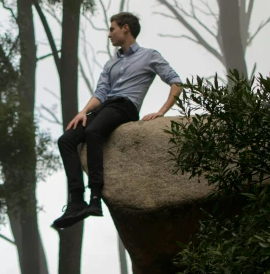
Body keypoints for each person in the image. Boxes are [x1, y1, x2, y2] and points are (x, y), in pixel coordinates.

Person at [52, 12, 183, 230]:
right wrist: (83, 111)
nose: (109, 34)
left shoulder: (150, 55)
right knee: (66, 139)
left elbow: (176, 83)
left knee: (93, 133)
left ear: (125, 28)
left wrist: (161, 111)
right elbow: (101, 93)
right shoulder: (111, 64)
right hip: (105, 107)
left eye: (112, 29)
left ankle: (95, 197)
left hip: (126, 106)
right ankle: (76, 200)